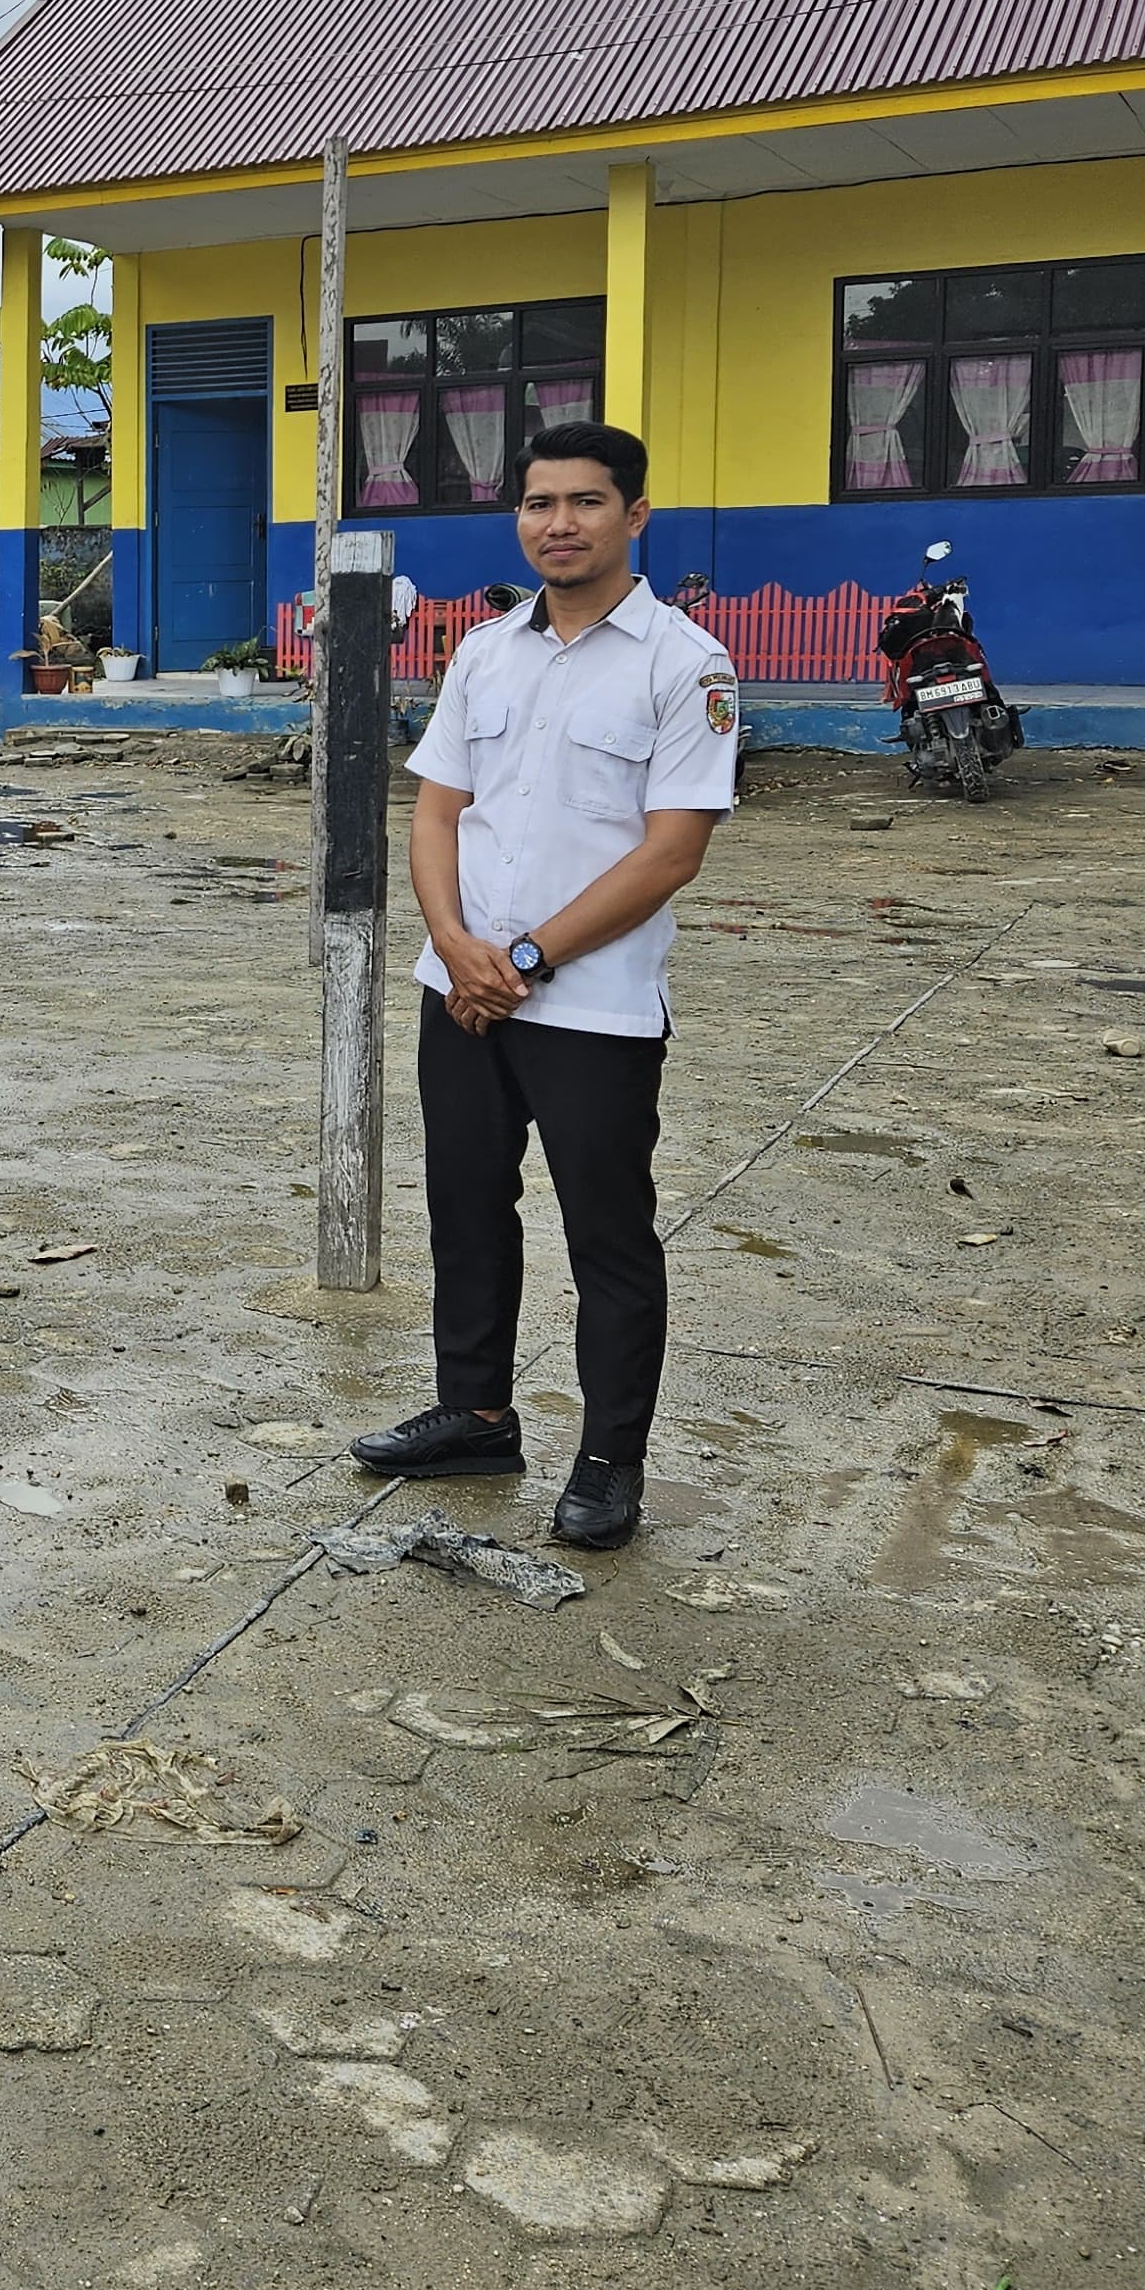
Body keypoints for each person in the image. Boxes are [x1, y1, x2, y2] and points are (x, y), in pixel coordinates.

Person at [347, 421, 736, 1550]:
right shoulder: (483, 653)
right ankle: (474, 1414)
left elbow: (671, 852)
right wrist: (454, 942)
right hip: (460, 988)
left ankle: (610, 1459)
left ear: (634, 515)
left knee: (607, 1235)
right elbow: (435, 814)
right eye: (538, 503)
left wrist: (520, 960)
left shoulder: (685, 664)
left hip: (592, 1006)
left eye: (585, 502)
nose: (559, 524)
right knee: (467, 1205)